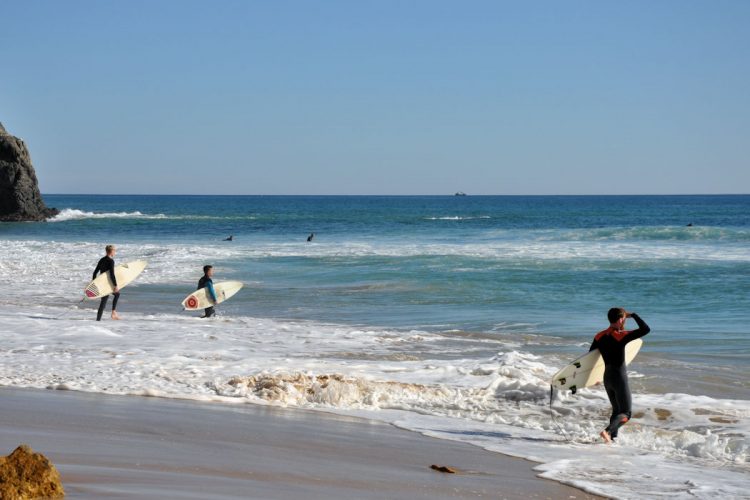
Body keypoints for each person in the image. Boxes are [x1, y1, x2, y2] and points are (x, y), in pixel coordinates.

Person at [589, 308, 650, 443]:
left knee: (616, 410)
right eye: (623, 318)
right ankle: (607, 432)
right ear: (621, 319)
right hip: (619, 377)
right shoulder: (621, 335)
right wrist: (633, 315)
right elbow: (645, 329)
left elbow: (591, 357)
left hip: (607, 377)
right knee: (626, 413)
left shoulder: (599, 336)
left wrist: (593, 378)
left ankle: (611, 439)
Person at [92, 244, 121, 321]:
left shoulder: (102, 260)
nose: (115, 252)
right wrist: (115, 285)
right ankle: (113, 312)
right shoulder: (111, 261)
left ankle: (98, 320)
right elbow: (112, 274)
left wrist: (95, 283)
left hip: (102, 283)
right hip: (108, 283)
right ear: (111, 251)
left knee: (104, 301)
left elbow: (95, 273)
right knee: (117, 294)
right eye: (114, 251)